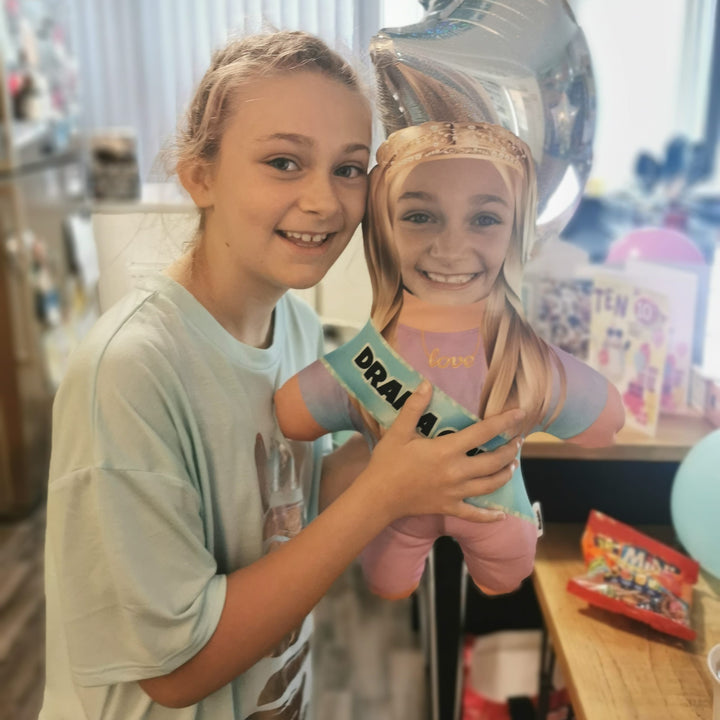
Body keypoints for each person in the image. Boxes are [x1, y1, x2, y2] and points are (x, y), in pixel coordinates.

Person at [40, 33, 526, 719]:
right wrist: (382, 497)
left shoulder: (294, 326)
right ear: (200, 176)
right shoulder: (130, 371)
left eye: (349, 168)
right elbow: (173, 674)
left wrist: (416, 442)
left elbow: (297, 503)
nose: (324, 201)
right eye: (283, 162)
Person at [275, 121, 625, 600]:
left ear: (518, 230)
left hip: (494, 521)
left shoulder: (524, 359)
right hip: (407, 517)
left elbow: (604, 421)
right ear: (383, 228)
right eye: (420, 216)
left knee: (493, 577)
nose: (451, 249)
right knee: (390, 583)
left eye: (485, 219)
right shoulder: (370, 359)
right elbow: (292, 414)